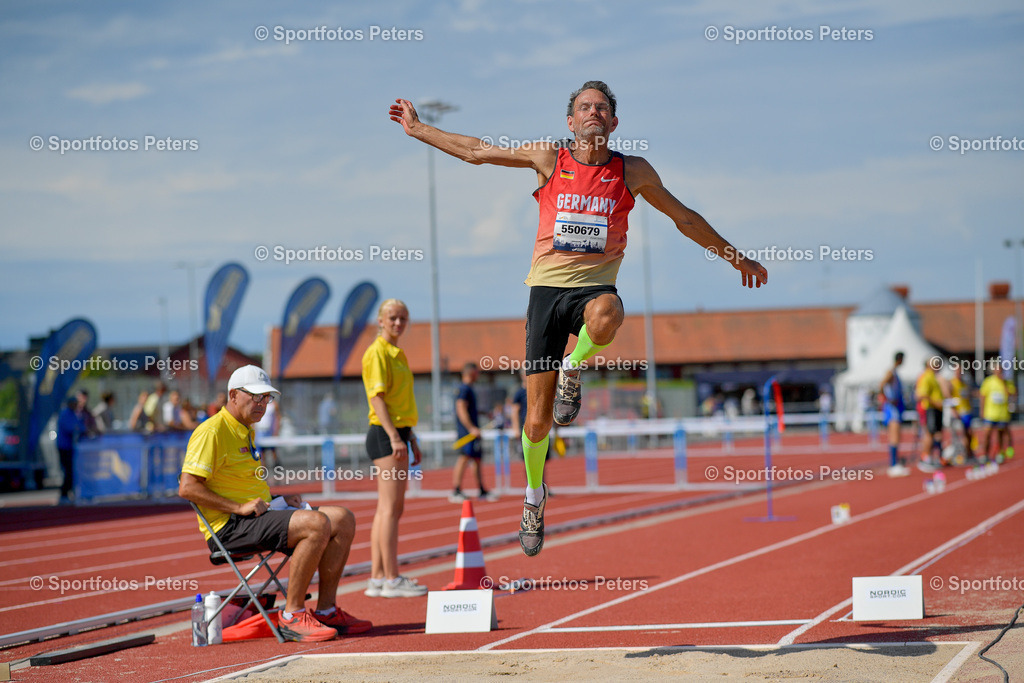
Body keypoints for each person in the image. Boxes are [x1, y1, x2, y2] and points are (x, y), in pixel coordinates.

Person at [390, 81, 767, 556]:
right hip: (546, 293)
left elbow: (685, 218)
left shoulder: (632, 171)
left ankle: (574, 367)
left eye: (602, 108)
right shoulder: (550, 158)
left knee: (610, 313)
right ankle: (533, 496)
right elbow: (478, 152)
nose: (593, 112)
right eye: (585, 107)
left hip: (593, 288)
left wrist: (736, 258)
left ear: (613, 122)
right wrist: (420, 129)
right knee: (536, 423)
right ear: (571, 121)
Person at [179, 365, 370, 642]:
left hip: (255, 517)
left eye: (266, 398)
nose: (262, 404)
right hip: (229, 526)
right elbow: (187, 487)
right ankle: (292, 615)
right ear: (233, 395)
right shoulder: (212, 431)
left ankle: (326, 610)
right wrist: (237, 508)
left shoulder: (246, 430)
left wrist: (278, 499)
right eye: (255, 397)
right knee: (317, 524)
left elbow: (246, 488)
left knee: (343, 517)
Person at [360, 299, 428, 599]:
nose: (398, 323)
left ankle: (377, 577)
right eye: (392, 317)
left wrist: (408, 435)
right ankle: (391, 578)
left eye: (403, 317)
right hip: (385, 435)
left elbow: (399, 402)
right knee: (390, 510)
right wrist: (395, 437)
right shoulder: (377, 353)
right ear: (380, 320)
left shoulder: (397, 352)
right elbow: (377, 399)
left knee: (387, 510)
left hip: (397, 432)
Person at [451, 362, 491, 501]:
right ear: (470, 372)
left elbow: (470, 409)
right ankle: (456, 490)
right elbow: (460, 408)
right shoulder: (464, 389)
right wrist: (471, 428)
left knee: (477, 459)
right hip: (466, 433)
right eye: (477, 372)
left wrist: (485, 413)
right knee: (464, 458)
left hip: (473, 432)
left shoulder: (470, 389)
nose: (478, 375)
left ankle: (481, 489)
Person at [879, 352, 909, 476]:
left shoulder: (895, 372)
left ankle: (895, 462)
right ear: (900, 359)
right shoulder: (891, 372)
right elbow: (881, 384)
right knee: (894, 436)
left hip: (896, 407)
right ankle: (893, 464)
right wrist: (887, 398)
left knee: (897, 435)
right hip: (892, 408)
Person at [915, 359, 945, 471]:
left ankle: (933, 456)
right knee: (929, 432)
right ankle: (925, 457)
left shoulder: (934, 376)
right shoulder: (926, 377)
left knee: (935, 433)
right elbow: (922, 395)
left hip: (936, 408)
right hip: (930, 408)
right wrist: (935, 402)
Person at [979, 365, 1012, 463]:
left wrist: (1003, 383)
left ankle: (999, 454)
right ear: (994, 371)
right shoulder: (988, 382)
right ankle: (985, 454)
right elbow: (983, 396)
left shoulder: (1006, 382)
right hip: (990, 413)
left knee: (1000, 435)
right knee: (987, 434)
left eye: (1000, 370)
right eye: (997, 370)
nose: (998, 372)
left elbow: (1010, 394)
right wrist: (982, 410)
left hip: (1002, 414)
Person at [56, 396, 86, 504]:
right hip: (64, 447)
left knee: (72, 471)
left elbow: (80, 426)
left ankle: (70, 492)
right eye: (74, 403)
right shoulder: (65, 414)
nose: (76, 405)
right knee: (68, 470)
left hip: (71, 447)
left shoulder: (74, 414)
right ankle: (64, 494)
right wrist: (79, 429)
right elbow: (71, 428)